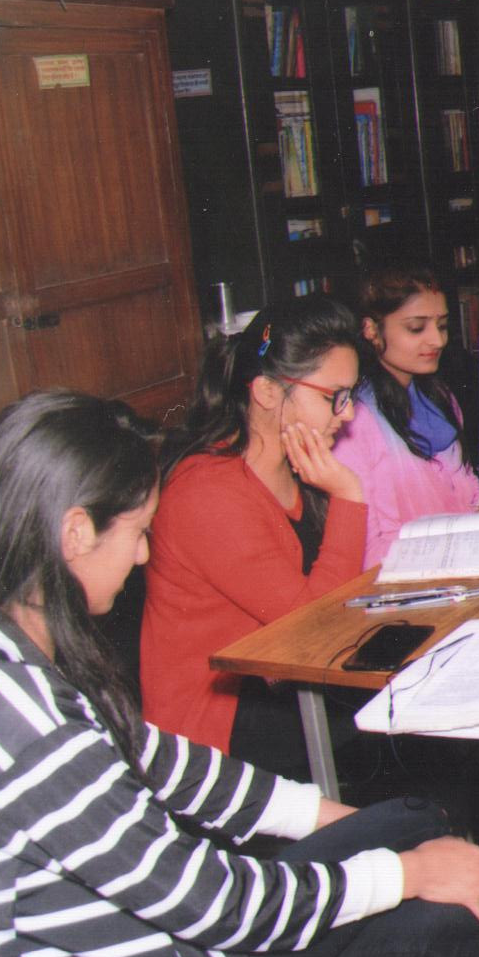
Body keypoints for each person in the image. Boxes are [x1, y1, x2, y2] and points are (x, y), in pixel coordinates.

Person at [0, 391, 479, 957]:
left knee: (409, 823)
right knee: (444, 907)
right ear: (76, 533)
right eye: (139, 533)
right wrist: (408, 876)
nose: (143, 556)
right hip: (151, 952)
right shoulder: (22, 726)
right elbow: (219, 905)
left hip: (136, 920)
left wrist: (331, 817)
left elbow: (162, 762)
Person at [142, 295, 369, 780]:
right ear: (267, 392)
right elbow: (313, 630)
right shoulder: (208, 492)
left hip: (274, 684)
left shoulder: (296, 468)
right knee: (398, 729)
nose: (346, 415)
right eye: (334, 396)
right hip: (217, 724)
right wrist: (349, 497)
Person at [333, 264, 479, 569]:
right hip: (409, 575)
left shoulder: (440, 398)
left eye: (441, 326)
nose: (437, 341)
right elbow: (368, 551)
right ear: (371, 330)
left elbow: (471, 499)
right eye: (416, 328)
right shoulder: (355, 420)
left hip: (467, 558)